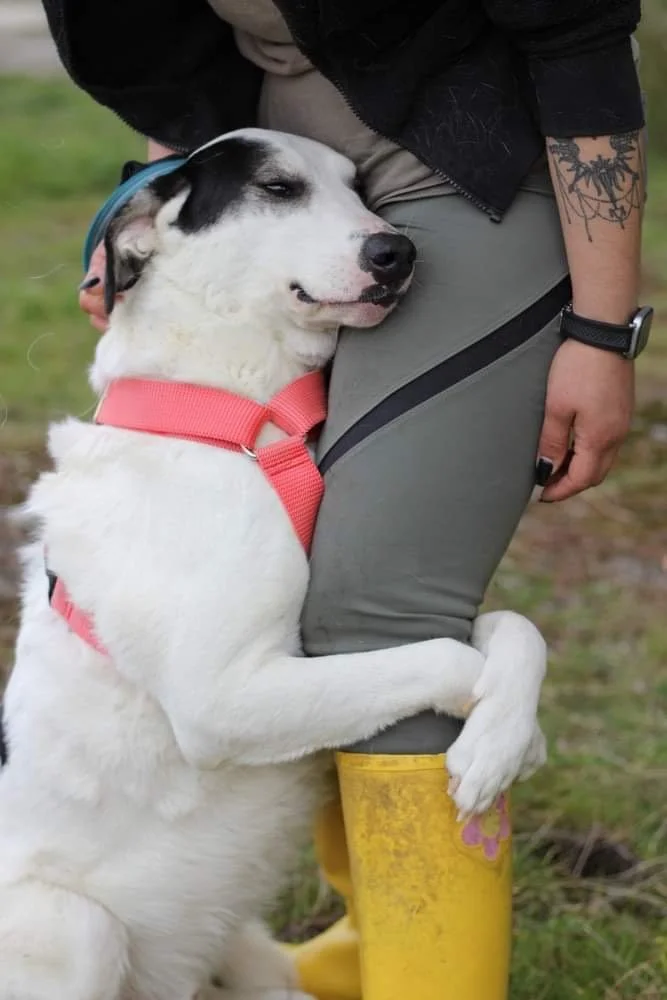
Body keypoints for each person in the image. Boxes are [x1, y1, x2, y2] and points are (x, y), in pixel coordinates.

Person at [42, 2, 650, 998]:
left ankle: (406, 969)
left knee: (383, 607)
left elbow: (579, 42)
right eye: (283, 192)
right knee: (363, 619)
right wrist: (145, 218)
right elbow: (177, 80)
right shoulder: (169, 458)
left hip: (474, 171)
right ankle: (376, 955)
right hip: (77, 919)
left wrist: (601, 331)